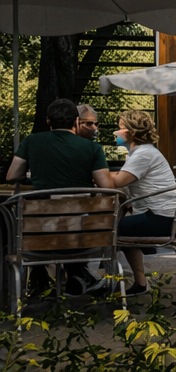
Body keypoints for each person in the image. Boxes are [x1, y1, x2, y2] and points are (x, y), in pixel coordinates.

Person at [5, 97, 113, 295]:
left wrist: (30, 176)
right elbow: (107, 187)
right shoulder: (92, 149)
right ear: (76, 122)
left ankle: (36, 281)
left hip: (38, 238)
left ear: (48, 122)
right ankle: (77, 274)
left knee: (20, 222)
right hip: (81, 239)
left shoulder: (31, 141)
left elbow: (12, 176)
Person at [105, 110, 176, 294]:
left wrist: (95, 173)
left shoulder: (143, 154)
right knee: (122, 225)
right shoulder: (142, 152)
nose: (116, 132)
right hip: (163, 217)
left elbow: (117, 182)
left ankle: (107, 280)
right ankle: (140, 283)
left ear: (131, 132)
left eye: (120, 128)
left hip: (159, 219)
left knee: (109, 228)